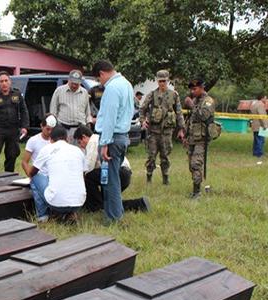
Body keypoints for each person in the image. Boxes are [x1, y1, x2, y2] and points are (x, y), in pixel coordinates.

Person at [92, 60, 134, 224]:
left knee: (110, 181)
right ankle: (117, 211)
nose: (100, 83)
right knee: (113, 177)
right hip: (122, 136)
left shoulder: (112, 88)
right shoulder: (126, 84)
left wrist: (105, 143)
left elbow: (110, 117)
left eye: (99, 79)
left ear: (102, 73)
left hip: (112, 138)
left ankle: (113, 217)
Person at [74, 126, 150, 213]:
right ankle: (139, 204)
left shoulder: (93, 141)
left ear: (84, 137)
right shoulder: (100, 139)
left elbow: (88, 167)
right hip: (124, 173)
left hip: (118, 172)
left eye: (80, 142)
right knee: (108, 202)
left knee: (88, 177)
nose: (81, 146)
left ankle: (96, 205)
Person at [27, 125, 87, 222]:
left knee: (35, 178)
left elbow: (32, 172)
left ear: (50, 139)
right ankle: (70, 214)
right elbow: (82, 176)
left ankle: (43, 216)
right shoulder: (78, 150)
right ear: (67, 139)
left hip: (56, 203)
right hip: (79, 202)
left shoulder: (47, 149)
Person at [139, 70, 185, 185]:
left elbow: (179, 112)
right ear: (157, 81)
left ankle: (165, 178)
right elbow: (142, 109)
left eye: (164, 81)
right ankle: (149, 177)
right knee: (151, 156)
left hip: (167, 132)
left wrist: (181, 128)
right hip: (153, 131)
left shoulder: (174, 95)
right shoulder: (152, 94)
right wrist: (143, 121)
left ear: (167, 81)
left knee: (165, 156)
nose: (162, 83)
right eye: (160, 81)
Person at [180, 78, 215, 199]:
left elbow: (203, 116)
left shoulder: (208, 101)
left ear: (202, 88)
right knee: (191, 165)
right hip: (192, 137)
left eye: (195, 89)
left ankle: (197, 192)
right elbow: (191, 120)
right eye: (191, 89)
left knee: (196, 164)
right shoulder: (196, 100)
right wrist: (185, 135)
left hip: (202, 138)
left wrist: (192, 105)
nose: (192, 91)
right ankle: (195, 189)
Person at [0, 71, 29, 173]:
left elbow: (24, 111)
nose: (4, 83)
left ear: (10, 81)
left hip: (13, 129)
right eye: (1, 81)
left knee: (12, 154)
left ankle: (9, 176)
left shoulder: (17, 94)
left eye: (6, 80)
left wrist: (24, 127)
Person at [21, 114, 56, 220]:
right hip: (39, 174)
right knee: (37, 184)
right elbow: (24, 162)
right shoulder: (33, 140)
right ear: (41, 126)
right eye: (47, 129)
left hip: (54, 173)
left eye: (52, 130)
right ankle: (43, 215)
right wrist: (30, 175)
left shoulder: (56, 140)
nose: (50, 132)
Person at [49, 69, 92, 143]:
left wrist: (88, 125)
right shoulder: (59, 91)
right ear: (68, 80)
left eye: (77, 83)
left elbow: (87, 112)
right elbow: (53, 111)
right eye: (72, 83)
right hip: (63, 128)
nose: (74, 85)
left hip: (79, 129)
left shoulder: (84, 92)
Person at [250, 93, 268, 162]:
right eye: (265, 98)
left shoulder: (254, 104)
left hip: (255, 125)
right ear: (262, 98)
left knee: (256, 140)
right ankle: (259, 154)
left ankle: (255, 153)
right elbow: (262, 116)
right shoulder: (261, 105)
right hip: (260, 125)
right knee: (260, 140)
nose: (266, 100)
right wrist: (265, 125)